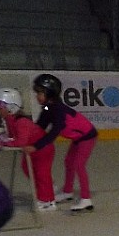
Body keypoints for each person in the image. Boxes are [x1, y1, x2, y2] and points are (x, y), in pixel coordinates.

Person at [24, 73, 98, 212]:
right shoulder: (48, 107)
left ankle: (86, 199)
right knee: (69, 162)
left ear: (49, 94)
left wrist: (36, 146)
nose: (37, 96)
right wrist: (26, 135)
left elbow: (53, 133)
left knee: (78, 165)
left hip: (87, 136)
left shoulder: (58, 110)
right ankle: (68, 192)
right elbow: (40, 125)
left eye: (39, 93)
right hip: (77, 138)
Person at [0, 87, 56, 207]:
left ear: (11, 107)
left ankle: (48, 201)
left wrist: (3, 143)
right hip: (31, 151)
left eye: (0, 106)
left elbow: (20, 142)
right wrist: (0, 139)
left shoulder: (21, 122)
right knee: (27, 169)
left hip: (43, 150)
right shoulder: (9, 119)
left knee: (41, 174)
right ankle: (45, 189)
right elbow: (10, 135)